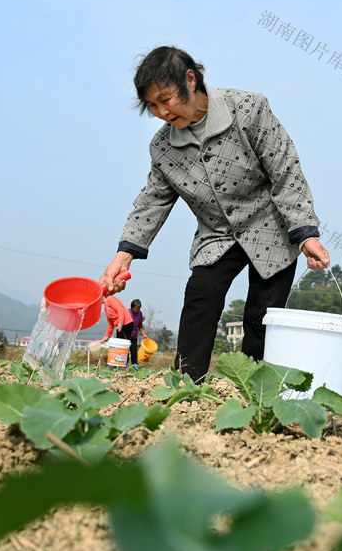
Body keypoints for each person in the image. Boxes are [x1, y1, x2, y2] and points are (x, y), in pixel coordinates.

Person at [100, 46, 329, 382]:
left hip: (271, 227)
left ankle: (255, 391)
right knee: (200, 300)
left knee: (260, 317)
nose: (162, 111)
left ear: (190, 80)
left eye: (167, 98)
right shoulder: (163, 148)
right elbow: (153, 200)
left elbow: (285, 171)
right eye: (153, 106)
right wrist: (124, 254)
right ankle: (186, 386)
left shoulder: (249, 109)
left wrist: (305, 233)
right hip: (216, 234)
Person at [128, 298, 146, 367]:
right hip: (127, 335)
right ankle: (124, 366)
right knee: (125, 352)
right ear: (132, 307)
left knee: (134, 352)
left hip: (134, 336)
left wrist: (144, 334)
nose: (137, 310)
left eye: (138, 309)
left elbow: (140, 325)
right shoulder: (128, 313)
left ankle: (134, 366)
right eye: (135, 309)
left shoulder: (140, 314)